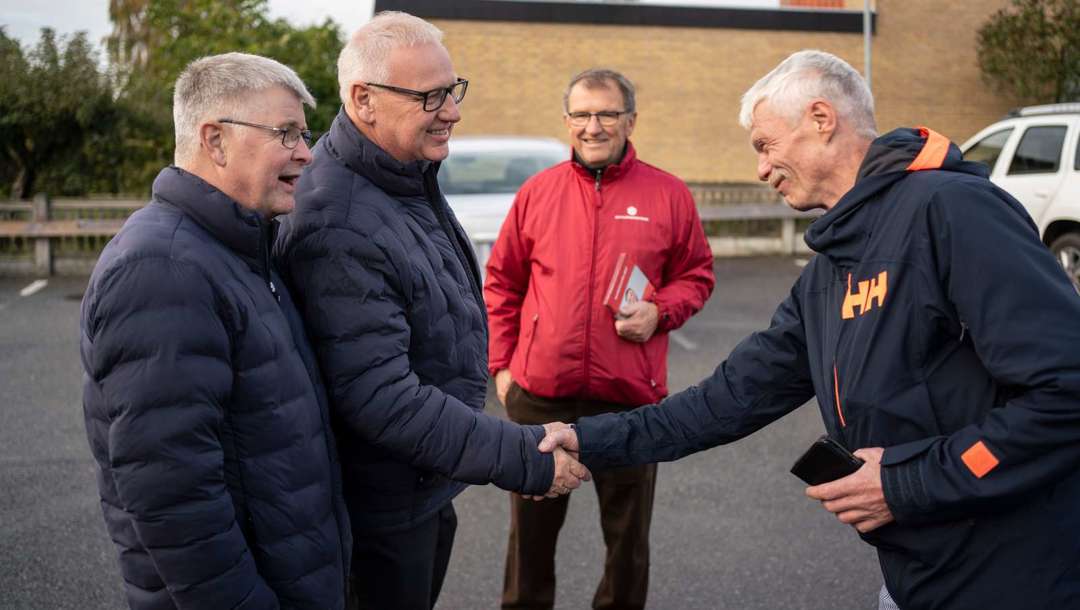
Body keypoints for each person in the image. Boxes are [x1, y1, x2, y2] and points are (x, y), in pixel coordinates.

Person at [538, 50, 1080, 610]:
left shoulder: (951, 211)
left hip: (1015, 575)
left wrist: (904, 483)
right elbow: (727, 399)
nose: (760, 170)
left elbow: (1067, 393)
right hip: (912, 576)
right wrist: (590, 437)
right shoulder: (828, 272)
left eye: (765, 146)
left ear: (821, 120)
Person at [273, 12, 590, 610]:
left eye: (453, 90)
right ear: (363, 100)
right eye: (430, 96)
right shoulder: (337, 218)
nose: (453, 110)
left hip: (422, 480)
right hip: (381, 509)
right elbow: (378, 395)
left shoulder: (400, 175)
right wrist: (517, 455)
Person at [80, 53, 350, 609]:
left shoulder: (242, 248)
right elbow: (172, 496)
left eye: (305, 133)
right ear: (216, 140)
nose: (306, 151)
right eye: (286, 133)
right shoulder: (164, 268)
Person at [485, 68, 715, 610]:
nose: (594, 126)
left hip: (629, 398)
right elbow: (502, 283)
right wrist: (502, 366)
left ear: (630, 120)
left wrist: (660, 312)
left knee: (627, 543)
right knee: (530, 541)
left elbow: (697, 275)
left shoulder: (668, 194)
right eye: (582, 114)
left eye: (607, 113)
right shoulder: (538, 192)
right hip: (541, 395)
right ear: (567, 122)